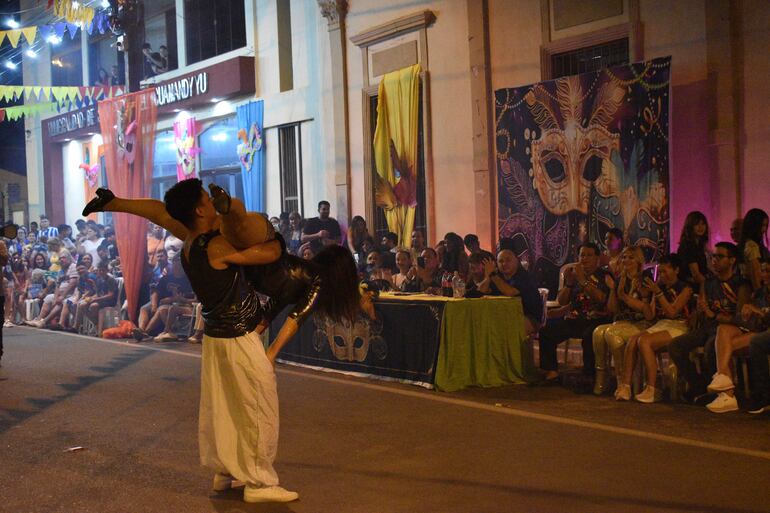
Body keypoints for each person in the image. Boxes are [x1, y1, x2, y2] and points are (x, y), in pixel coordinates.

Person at [86, 179, 297, 502]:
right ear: (200, 210)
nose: (213, 204)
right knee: (257, 403)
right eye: (207, 201)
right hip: (238, 337)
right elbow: (265, 253)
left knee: (225, 407)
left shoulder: (190, 240)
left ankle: (226, 471)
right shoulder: (215, 245)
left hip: (217, 340)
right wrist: (277, 241)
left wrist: (117, 203)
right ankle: (259, 483)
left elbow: (161, 213)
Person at [668, 242, 750, 404]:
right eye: (713, 256)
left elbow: (741, 318)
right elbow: (703, 309)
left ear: (732, 260)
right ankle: (699, 385)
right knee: (676, 345)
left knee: (710, 347)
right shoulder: (708, 282)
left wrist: (713, 314)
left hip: (728, 330)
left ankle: (722, 391)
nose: (715, 260)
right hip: (708, 327)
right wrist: (697, 313)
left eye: (720, 257)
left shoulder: (741, 284)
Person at [617, 254, 693, 402]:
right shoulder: (660, 286)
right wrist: (647, 296)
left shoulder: (685, 288)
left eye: (665, 271)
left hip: (678, 326)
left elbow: (672, 312)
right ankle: (625, 386)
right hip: (661, 324)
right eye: (661, 271)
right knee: (633, 340)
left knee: (644, 341)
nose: (662, 275)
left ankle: (652, 388)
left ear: (676, 270)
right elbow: (651, 315)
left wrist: (658, 293)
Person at [537, 243, 610, 382]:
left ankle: (589, 375)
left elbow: (601, 299)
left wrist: (583, 280)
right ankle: (551, 371)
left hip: (596, 319)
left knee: (590, 336)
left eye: (589, 255)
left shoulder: (604, 276)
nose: (585, 258)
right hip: (575, 319)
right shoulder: (574, 275)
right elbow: (562, 301)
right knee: (546, 330)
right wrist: (569, 283)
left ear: (597, 258)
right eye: (582, 255)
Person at [704, 257, 770, 413]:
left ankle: (727, 393)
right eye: (762, 271)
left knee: (723, 348)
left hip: (763, 333)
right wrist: (748, 313)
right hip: (755, 329)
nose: (764, 274)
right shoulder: (760, 292)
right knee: (723, 330)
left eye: (768, 271)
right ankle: (724, 384)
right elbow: (749, 320)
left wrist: (758, 312)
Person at [591, 246, 653, 395]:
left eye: (631, 257)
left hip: (641, 323)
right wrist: (613, 289)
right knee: (598, 332)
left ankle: (623, 381)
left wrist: (624, 296)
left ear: (638, 260)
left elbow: (645, 310)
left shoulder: (645, 278)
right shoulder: (620, 279)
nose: (626, 260)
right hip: (622, 322)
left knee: (612, 334)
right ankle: (602, 379)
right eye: (624, 257)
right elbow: (613, 309)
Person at [479, 249, 542, 333]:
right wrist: (487, 276)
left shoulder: (524, 276)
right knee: (482, 324)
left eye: (508, 260)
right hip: (504, 315)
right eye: (501, 261)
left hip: (529, 317)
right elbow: (481, 291)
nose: (504, 264)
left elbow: (510, 292)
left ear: (516, 261)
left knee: (501, 328)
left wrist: (492, 275)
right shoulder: (498, 275)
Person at [736, 208, 769, 292]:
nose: (764, 229)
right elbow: (756, 278)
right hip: (751, 292)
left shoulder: (749, 245)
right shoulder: (751, 246)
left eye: (766, 225)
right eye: (762, 225)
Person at [677, 211, 710, 288]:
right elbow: (696, 275)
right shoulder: (688, 245)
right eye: (697, 224)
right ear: (690, 226)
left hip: (697, 283)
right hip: (689, 286)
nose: (700, 227)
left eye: (703, 224)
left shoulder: (699, 244)